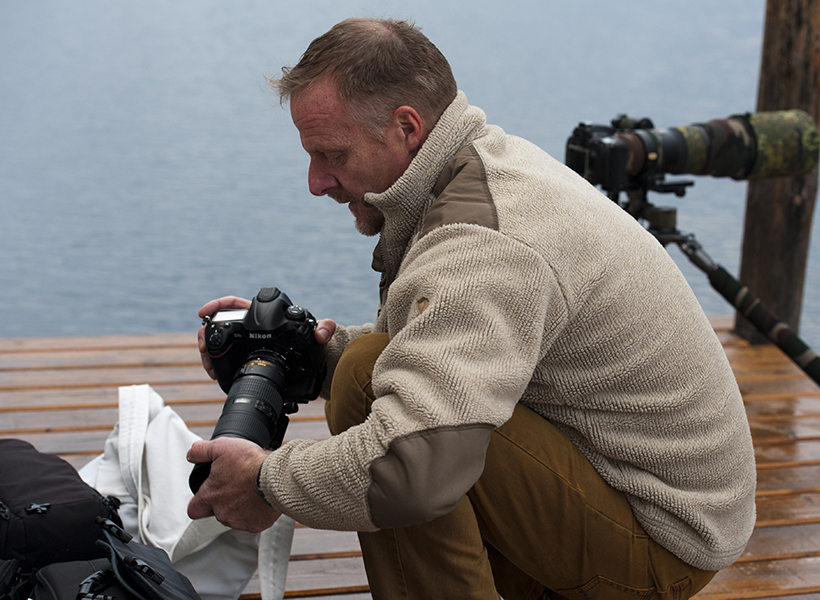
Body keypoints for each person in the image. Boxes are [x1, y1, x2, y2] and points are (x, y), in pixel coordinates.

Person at [187, 17, 756, 600]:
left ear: (406, 127)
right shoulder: (479, 166)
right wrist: (302, 352)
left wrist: (263, 484)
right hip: (625, 488)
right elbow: (440, 350)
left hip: (659, 545)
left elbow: (412, 472)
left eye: (332, 154)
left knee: (393, 423)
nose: (315, 182)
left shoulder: (484, 242)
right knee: (364, 368)